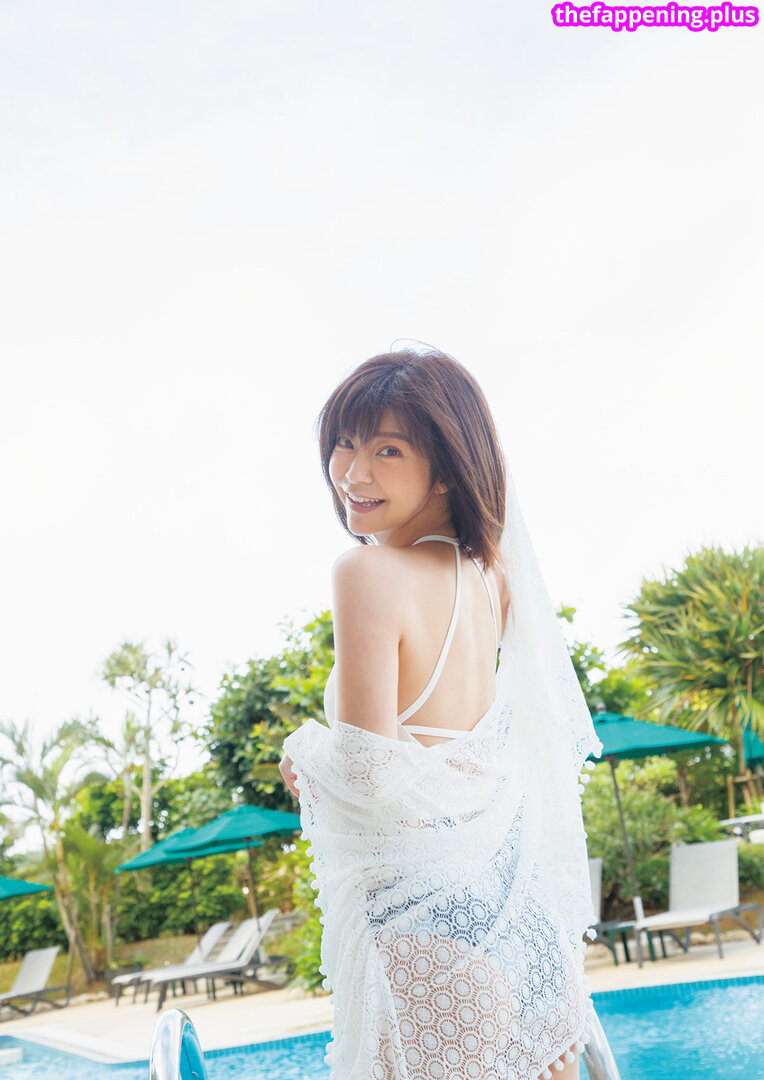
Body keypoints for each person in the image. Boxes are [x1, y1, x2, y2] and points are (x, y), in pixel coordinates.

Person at [279, 346, 603, 1080]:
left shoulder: (366, 572)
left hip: (431, 935)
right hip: (519, 925)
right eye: (345, 443)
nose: (353, 473)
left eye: (388, 450)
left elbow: (369, 775)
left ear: (449, 469)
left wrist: (304, 754)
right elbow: (463, 763)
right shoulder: (492, 578)